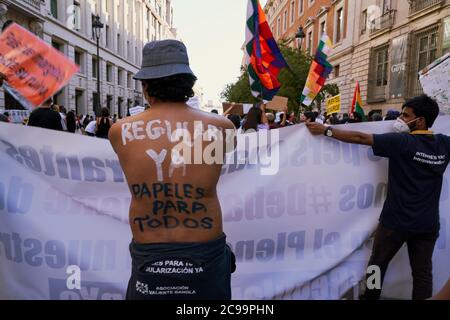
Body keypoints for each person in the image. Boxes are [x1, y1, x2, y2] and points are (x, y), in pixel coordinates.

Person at [108, 39, 236, 300]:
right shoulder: (223, 128)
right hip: (205, 250)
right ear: (188, 83)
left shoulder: (120, 131)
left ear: (145, 86)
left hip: (150, 252)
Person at [306, 94, 449, 300]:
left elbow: (361, 138)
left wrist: (326, 130)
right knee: (422, 274)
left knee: (376, 266)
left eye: (405, 115)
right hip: (427, 225)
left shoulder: (403, 142)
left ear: (421, 121)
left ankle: (370, 298)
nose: (400, 119)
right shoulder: (444, 144)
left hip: (395, 222)